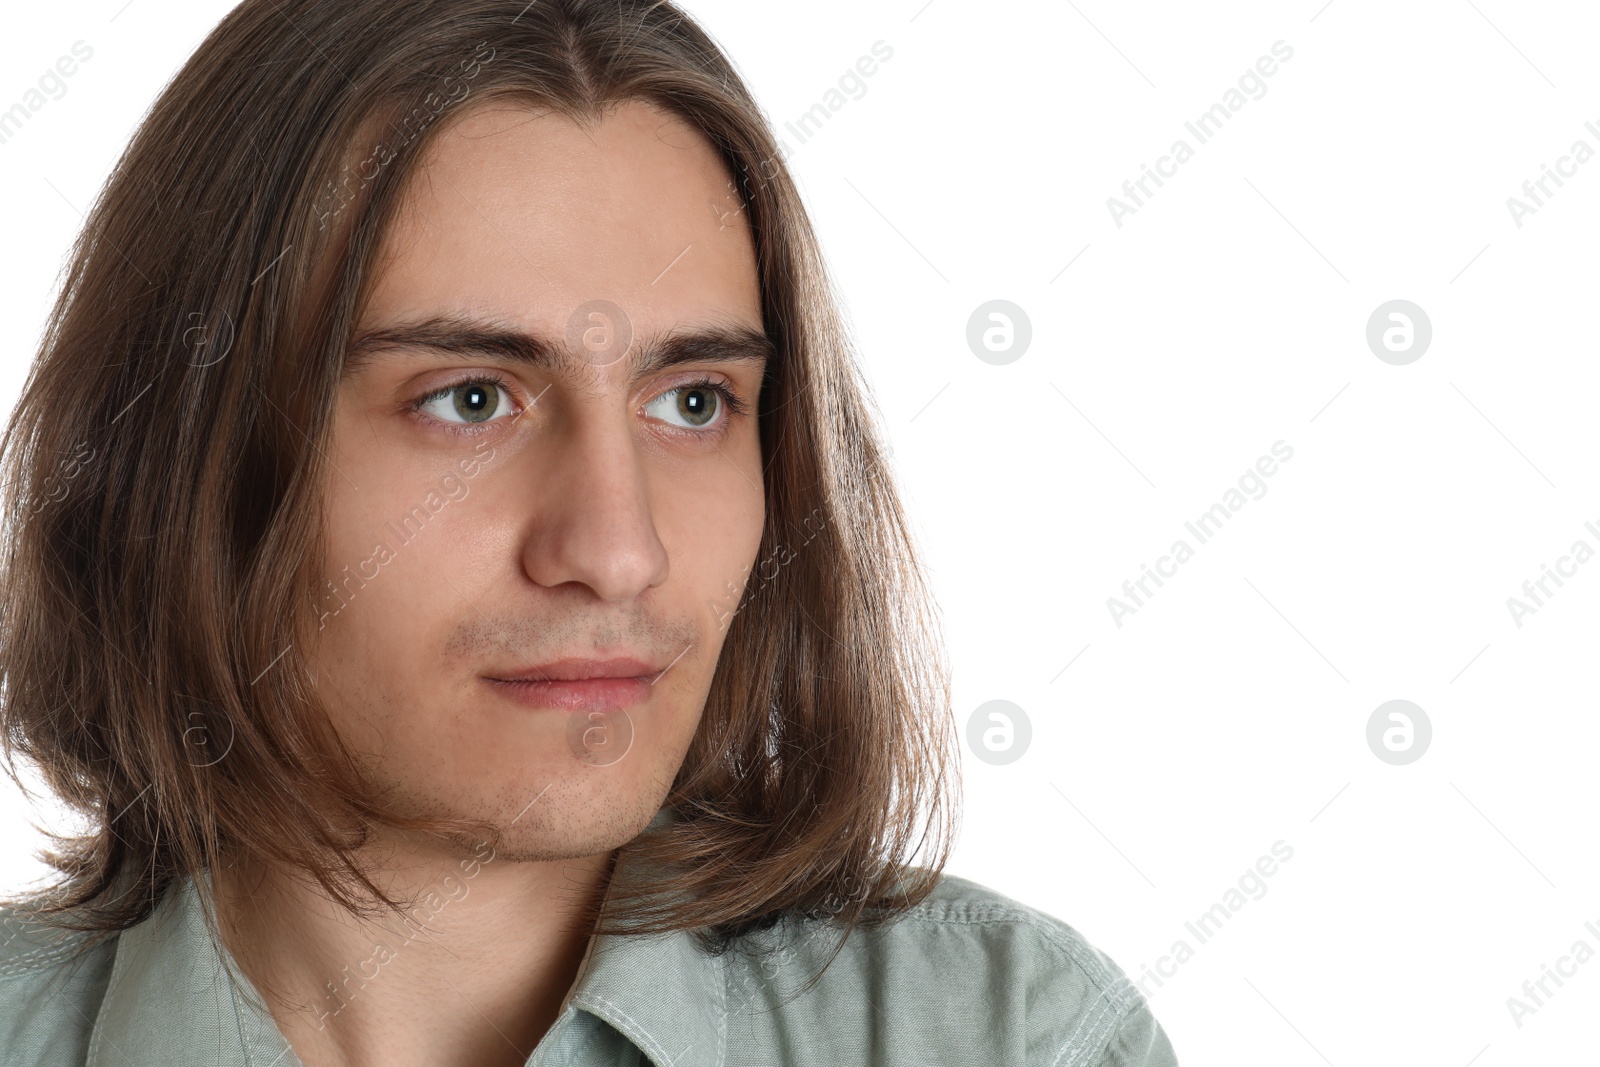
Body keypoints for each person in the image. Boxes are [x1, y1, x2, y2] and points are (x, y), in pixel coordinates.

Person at [0, 1, 1178, 1064]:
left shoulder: (1014, 1036)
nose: (620, 552)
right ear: (178, 455)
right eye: (469, 397)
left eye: (692, 401)